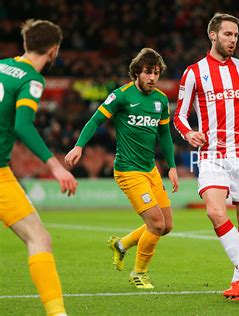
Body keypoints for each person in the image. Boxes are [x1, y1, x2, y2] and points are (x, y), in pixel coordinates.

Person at [65, 48, 178, 289]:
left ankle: (121, 244)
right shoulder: (121, 96)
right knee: (156, 225)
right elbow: (95, 119)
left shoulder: (160, 100)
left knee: (166, 226)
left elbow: (165, 134)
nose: (152, 78)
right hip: (128, 170)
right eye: (148, 72)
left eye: (156, 73)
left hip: (151, 170)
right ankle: (139, 272)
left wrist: (172, 167)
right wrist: (79, 146)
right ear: (137, 72)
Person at [174, 12, 239, 300]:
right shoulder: (194, 72)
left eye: (236, 35)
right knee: (214, 211)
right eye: (227, 34)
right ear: (213, 35)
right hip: (212, 155)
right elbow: (180, 116)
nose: (233, 39)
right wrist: (189, 134)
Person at [0, 19, 78, 316]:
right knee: (39, 238)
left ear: (25, 43)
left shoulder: (1, 66)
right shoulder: (31, 79)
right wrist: (55, 167)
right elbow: (22, 124)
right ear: (54, 50)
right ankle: (57, 313)